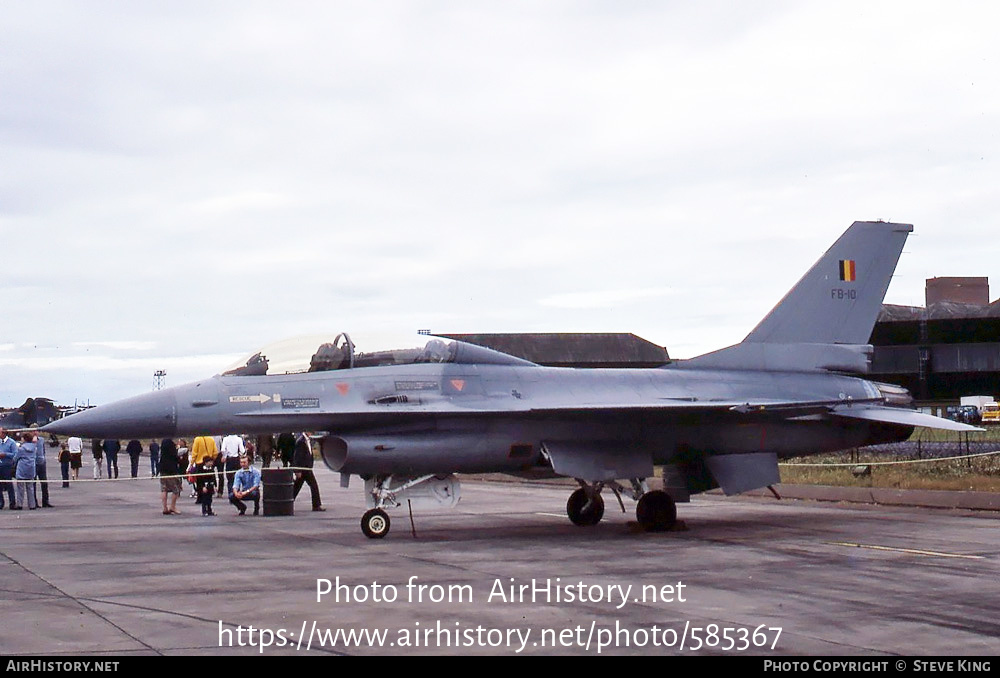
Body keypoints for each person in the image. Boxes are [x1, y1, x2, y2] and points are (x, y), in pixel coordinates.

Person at [292, 433, 325, 512]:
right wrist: (297, 470)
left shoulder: (307, 440)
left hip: (307, 468)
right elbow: (297, 456)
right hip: (304, 468)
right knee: (313, 486)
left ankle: (287, 501)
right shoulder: (301, 441)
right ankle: (316, 505)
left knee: (297, 487)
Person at [13, 433, 37, 510]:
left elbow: (16, 458)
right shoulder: (34, 448)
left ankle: (20, 504)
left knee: (20, 487)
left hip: (22, 468)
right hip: (31, 468)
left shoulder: (21, 448)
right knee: (30, 487)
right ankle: (32, 504)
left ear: (24, 439)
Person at [158, 438, 182, 515]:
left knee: (164, 489)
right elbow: (175, 457)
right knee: (176, 489)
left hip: (162, 468)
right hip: (171, 470)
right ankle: (172, 506)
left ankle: (165, 507)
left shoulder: (163, 443)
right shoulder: (171, 446)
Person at [0, 428, 18, 508]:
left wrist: (5, 454)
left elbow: (15, 454)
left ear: (3, 433)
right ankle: (1, 502)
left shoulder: (11, 443)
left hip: (7, 466)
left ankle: (12, 502)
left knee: (9, 484)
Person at [34, 432, 52, 508]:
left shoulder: (41, 440)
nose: (35, 432)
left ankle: (45, 501)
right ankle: (34, 502)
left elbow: (43, 450)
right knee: (33, 484)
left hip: (41, 463)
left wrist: (43, 459)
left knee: (44, 483)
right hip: (33, 464)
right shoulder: (29, 441)